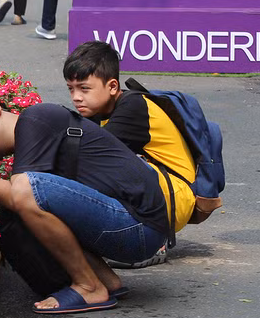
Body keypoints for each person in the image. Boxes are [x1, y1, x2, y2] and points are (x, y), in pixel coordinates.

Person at [0, 97, 171, 314]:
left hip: (138, 227)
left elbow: (21, 194)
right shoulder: (36, 141)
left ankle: (88, 287)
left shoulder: (36, 117)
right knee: (21, 204)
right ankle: (105, 281)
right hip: (134, 229)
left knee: (24, 191)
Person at [63, 41, 195, 267]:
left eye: (84, 88)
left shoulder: (133, 106)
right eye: (71, 88)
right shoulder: (98, 109)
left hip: (176, 196)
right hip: (163, 191)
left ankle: (155, 240)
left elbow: (89, 157)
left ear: (113, 86)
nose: (76, 97)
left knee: (99, 164)